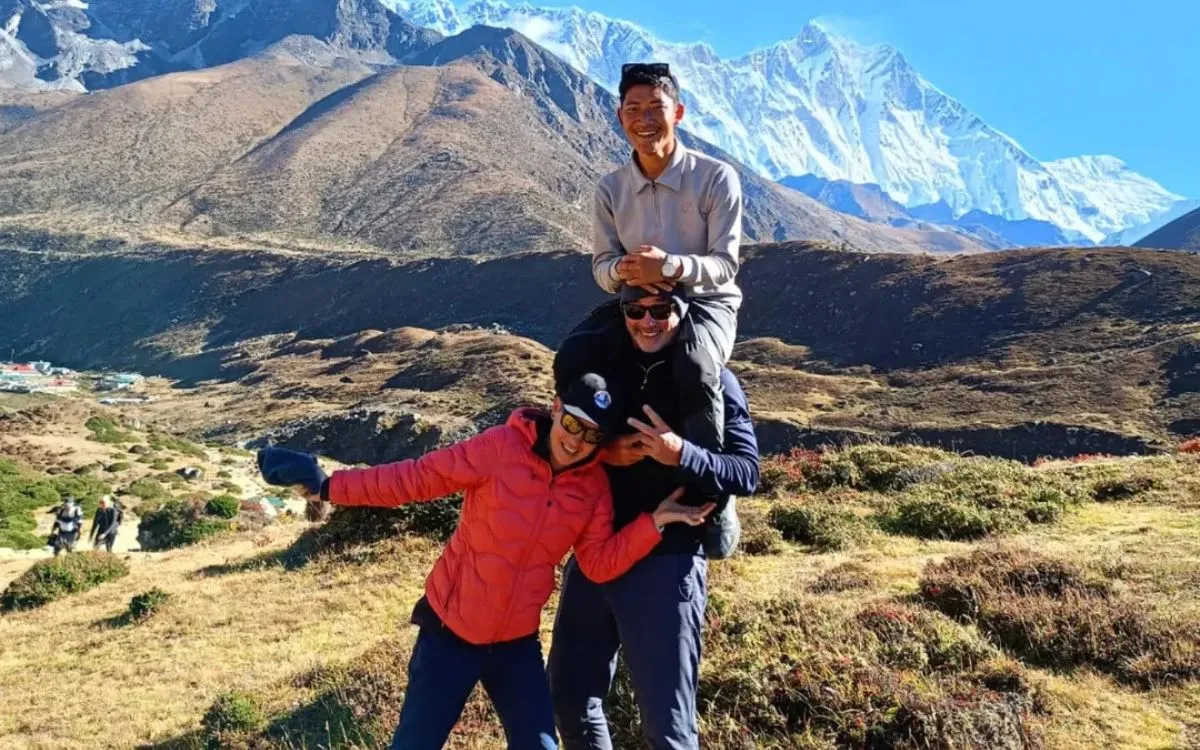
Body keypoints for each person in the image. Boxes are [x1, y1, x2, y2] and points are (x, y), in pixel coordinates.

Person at [256, 373, 715, 750]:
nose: (577, 442)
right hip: (449, 637)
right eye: (573, 424)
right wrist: (330, 486)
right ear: (556, 408)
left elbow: (595, 563)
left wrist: (651, 524)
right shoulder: (500, 449)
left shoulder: (591, 487)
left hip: (516, 647)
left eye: (593, 435)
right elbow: (416, 480)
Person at [549, 287, 759, 750]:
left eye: (661, 309)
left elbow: (747, 472)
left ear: (682, 312)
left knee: (667, 729)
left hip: (668, 560)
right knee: (567, 698)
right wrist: (607, 453)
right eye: (635, 310)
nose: (649, 320)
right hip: (598, 549)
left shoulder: (715, 380)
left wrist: (680, 452)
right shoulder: (609, 372)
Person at [571, 60, 745, 557]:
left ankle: (715, 491)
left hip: (704, 303)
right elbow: (601, 266)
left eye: (656, 108)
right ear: (619, 115)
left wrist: (669, 268)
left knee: (693, 364)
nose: (644, 119)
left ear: (679, 112)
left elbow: (724, 266)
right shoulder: (610, 189)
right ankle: (588, 471)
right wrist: (623, 273)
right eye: (633, 108)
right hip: (636, 301)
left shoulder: (716, 178)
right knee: (574, 356)